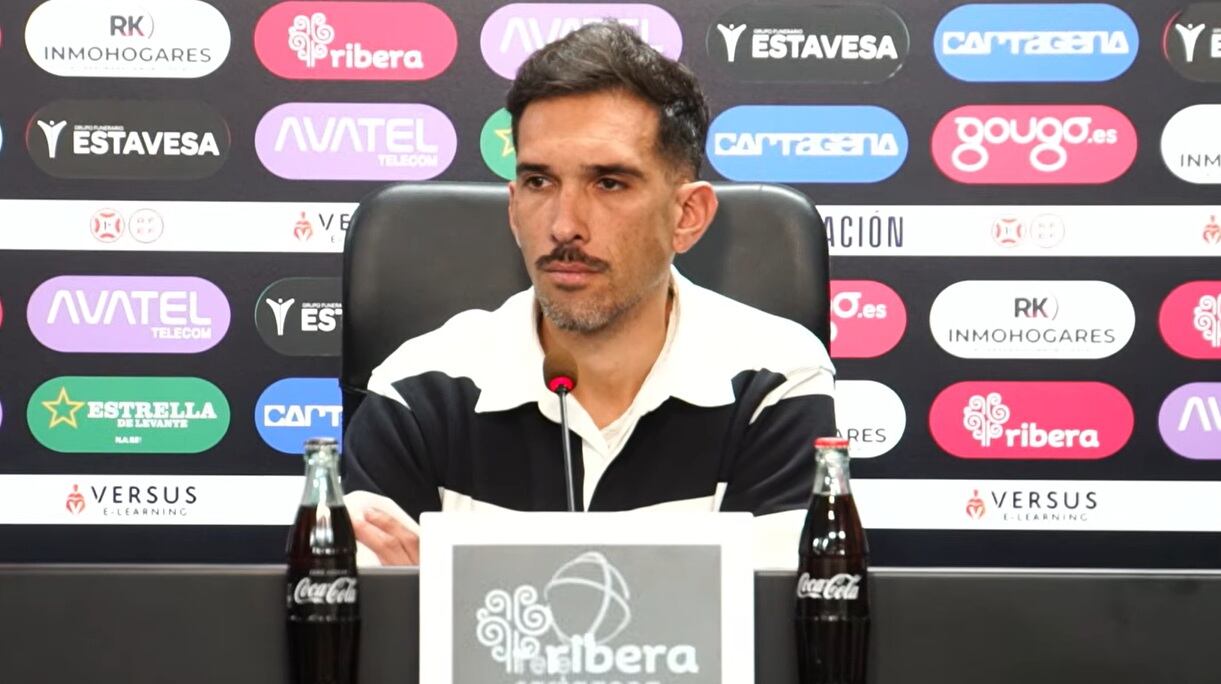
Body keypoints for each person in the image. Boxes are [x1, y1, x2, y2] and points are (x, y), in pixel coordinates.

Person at [341, 21, 836, 566]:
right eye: (539, 182)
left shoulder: (774, 379)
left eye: (609, 183)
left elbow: (771, 612)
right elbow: (373, 615)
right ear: (514, 209)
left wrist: (452, 584)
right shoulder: (416, 388)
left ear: (687, 216)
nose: (564, 226)